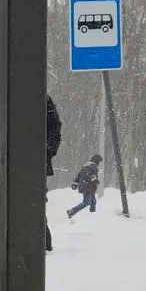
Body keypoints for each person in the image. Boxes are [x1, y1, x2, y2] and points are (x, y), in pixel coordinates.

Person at [44, 95, 63, 251]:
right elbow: (56, 130)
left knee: (35, 201)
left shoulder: (44, 99)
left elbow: (55, 130)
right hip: (37, 161)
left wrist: (46, 152)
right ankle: (43, 241)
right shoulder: (44, 99)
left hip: (35, 163)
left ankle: (43, 242)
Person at [67, 153, 103, 217]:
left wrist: (75, 183)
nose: (99, 163)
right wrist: (94, 180)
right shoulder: (92, 165)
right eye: (99, 162)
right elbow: (89, 175)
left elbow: (79, 175)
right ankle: (72, 211)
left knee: (93, 201)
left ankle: (92, 215)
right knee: (87, 202)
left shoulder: (86, 165)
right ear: (96, 160)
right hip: (88, 186)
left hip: (87, 186)